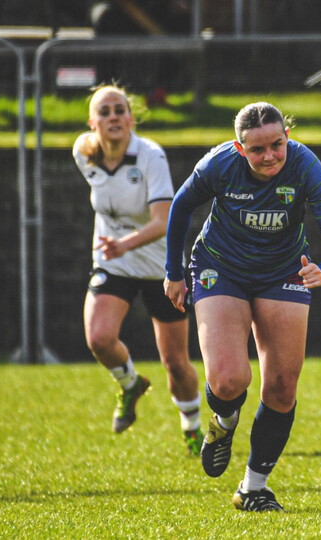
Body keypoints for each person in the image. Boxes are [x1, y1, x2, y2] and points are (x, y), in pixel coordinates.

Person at [164, 102, 321, 511]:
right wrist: (174, 271)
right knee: (230, 380)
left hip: (283, 271)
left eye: (276, 145)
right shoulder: (218, 164)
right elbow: (181, 206)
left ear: (287, 137)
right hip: (220, 266)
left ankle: (254, 488)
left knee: (283, 386)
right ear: (239, 149)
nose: (269, 156)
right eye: (257, 150)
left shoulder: (306, 166)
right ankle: (224, 421)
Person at [73, 84, 204, 455]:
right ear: (92, 122)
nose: (113, 116)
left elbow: (164, 221)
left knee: (176, 364)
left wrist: (123, 244)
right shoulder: (83, 152)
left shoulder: (150, 156)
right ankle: (130, 384)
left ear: (131, 118)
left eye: (119, 110)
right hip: (113, 264)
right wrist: (116, 250)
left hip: (160, 268)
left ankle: (192, 426)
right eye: (105, 111)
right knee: (99, 338)